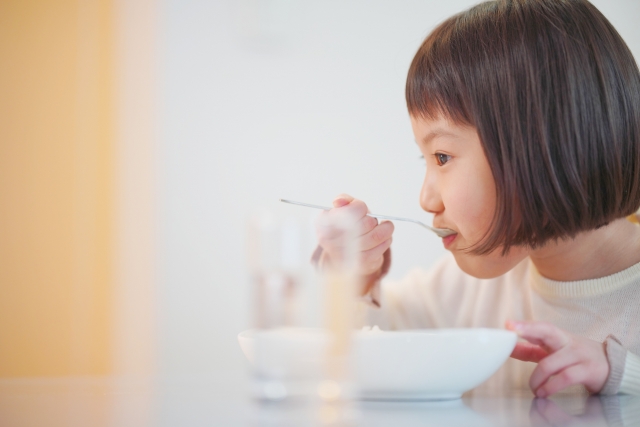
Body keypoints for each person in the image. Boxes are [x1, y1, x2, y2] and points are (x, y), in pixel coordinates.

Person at [314, 0, 640, 397]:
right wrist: (353, 279)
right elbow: (355, 349)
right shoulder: (463, 289)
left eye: (442, 157)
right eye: (426, 159)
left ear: (542, 146)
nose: (426, 199)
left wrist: (622, 375)